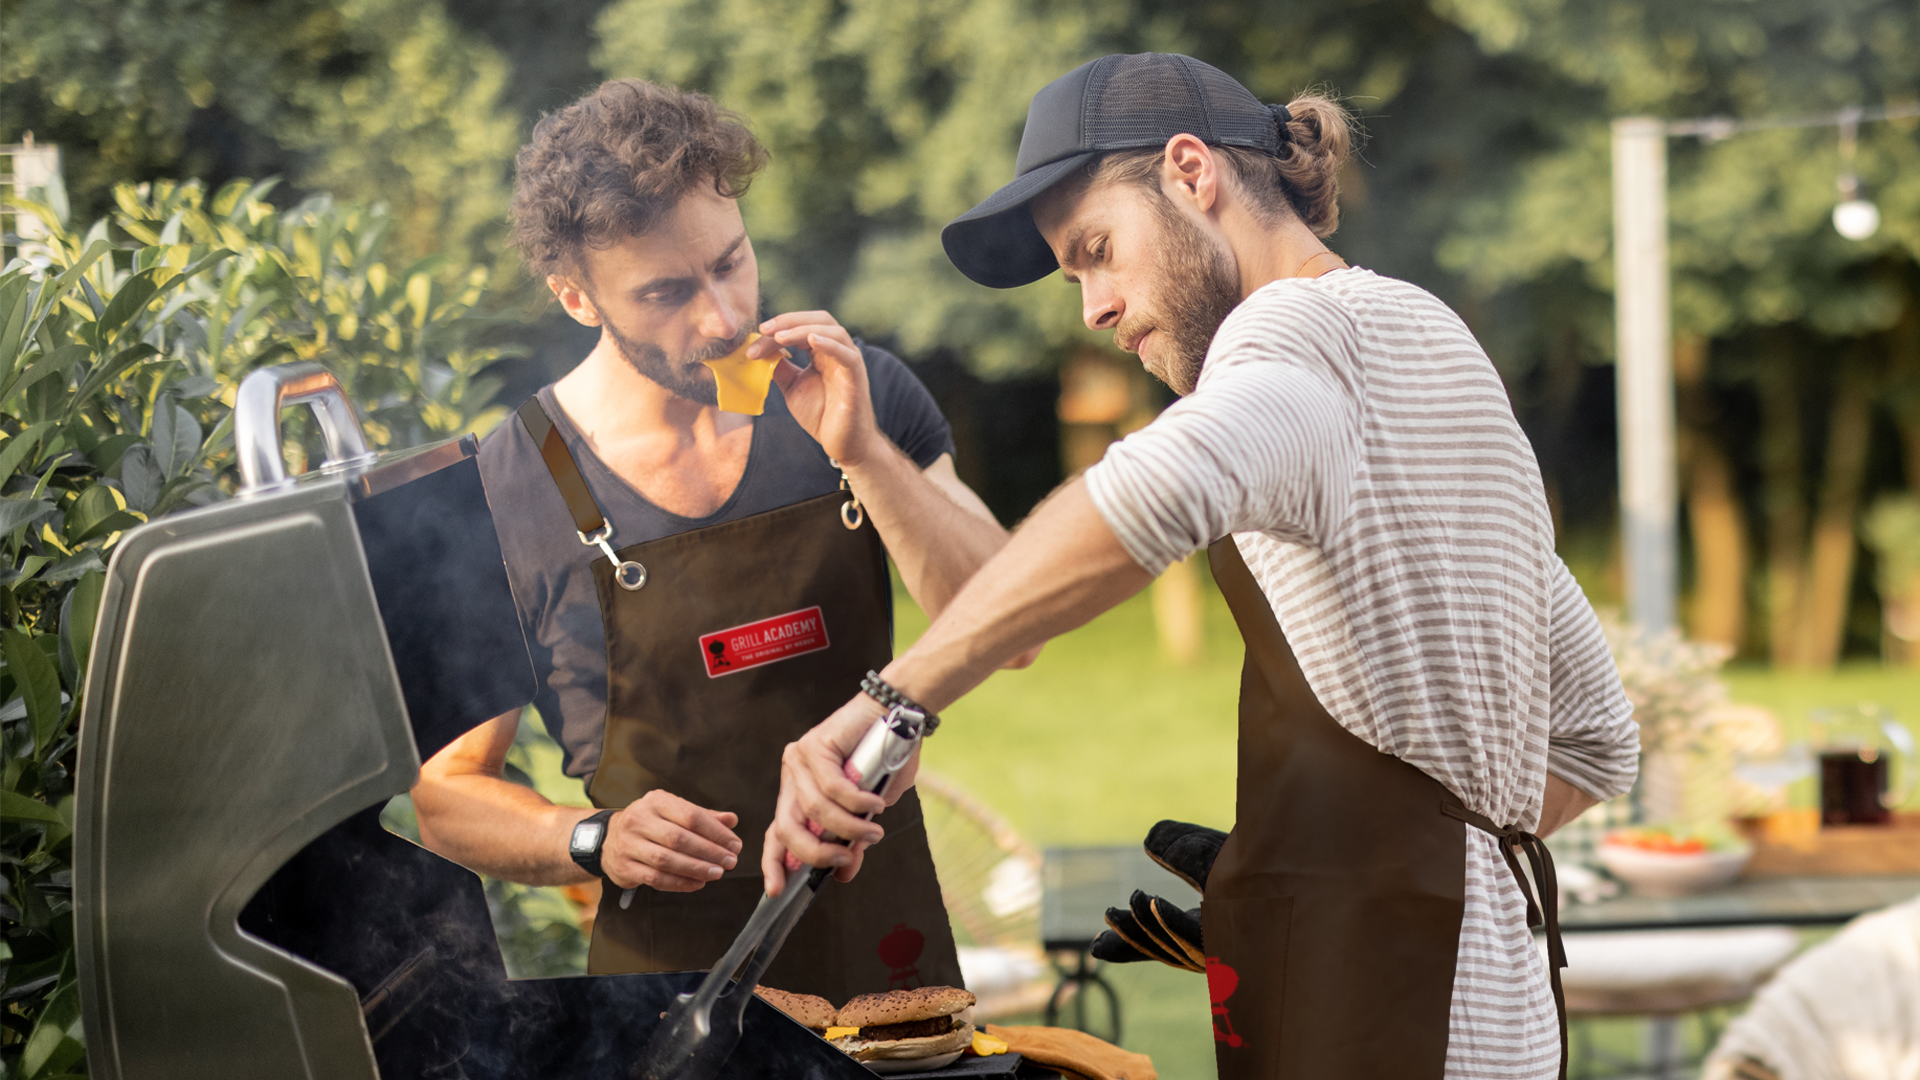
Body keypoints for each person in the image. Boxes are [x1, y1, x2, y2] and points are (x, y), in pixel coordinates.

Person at [767, 53, 1640, 1079]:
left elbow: (1155, 490)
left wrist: (892, 704)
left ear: (1191, 172)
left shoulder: (1293, 333)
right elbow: (1594, 735)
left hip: (1390, 1028)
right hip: (1501, 1028)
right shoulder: (1429, 337)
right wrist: (1337, 874)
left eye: (1097, 250)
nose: (1091, 307)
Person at [410, 78, 1017, 1002]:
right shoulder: (503, 491)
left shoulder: (861, 392)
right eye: (665, 292)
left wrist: (865, 457)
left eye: (731, 262)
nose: (723, 318)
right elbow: (447, 792)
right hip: (667, 992)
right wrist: (591, 840)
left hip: (891, 954)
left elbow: (1010, 625)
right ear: (577, 298)